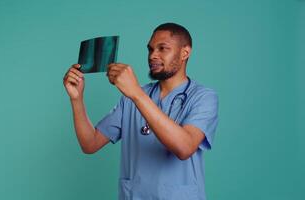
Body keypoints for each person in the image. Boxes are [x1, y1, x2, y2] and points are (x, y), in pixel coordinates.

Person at [63, 22, 219, 200]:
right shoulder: (132, 97)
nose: (153, 55)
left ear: (185, 53)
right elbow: (90, 144)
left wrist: (136, 93)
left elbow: (184, 147)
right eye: (150, 49)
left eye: (163, 48)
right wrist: (76, 99)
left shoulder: (203, 97)